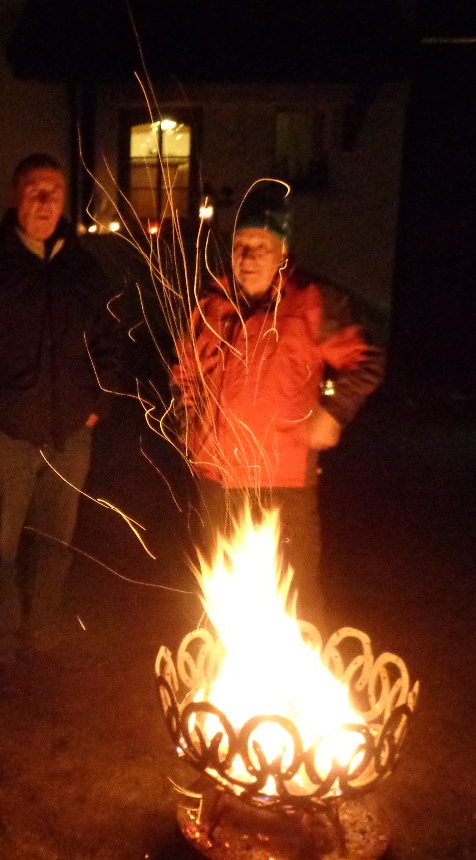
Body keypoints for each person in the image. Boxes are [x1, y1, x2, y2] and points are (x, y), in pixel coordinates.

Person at [0, 153, 120, 700]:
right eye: (34, 190)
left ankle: (42, 639)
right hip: (3, 437)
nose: (45, 201)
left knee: (55, 545)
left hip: (69, 435)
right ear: (15, 197)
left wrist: (96, 406)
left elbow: (109, 341)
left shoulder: (83, 271)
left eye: (54, 191)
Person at [172, 185, 385, 628]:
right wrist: (187, 422)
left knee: (296, 598)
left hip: (283, 483)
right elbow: (185, 372)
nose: (248, 257)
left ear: (282, 252)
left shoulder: (308, 303)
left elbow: (367, 358)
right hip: (217, 479)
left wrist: (335, 411)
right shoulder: (210, 305)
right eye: (240, 245)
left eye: (261, 247)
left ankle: (302, 669)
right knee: (222, 601)